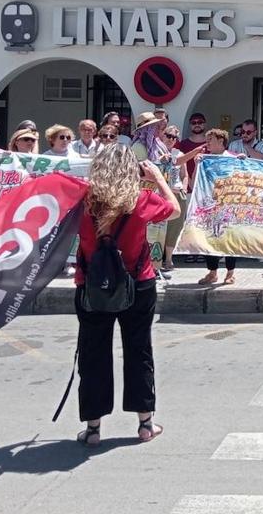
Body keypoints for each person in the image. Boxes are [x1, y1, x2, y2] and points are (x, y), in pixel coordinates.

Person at [73, 145, 179, 447]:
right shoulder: (141, 200)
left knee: (93, 354)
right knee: (138, 351)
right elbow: (174, 209)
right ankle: (145, 424)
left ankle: (93, 429)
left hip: (91, 285)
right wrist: (157, 178)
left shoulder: (84, 200)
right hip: (138, 282)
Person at [196, 129, 238, 285]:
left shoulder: (233, 158)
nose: (207, 144)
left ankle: (230, 272)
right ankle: (212, 272)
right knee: (209, 238)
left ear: (221, 141)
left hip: (228, 204)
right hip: (209, 204)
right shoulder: (205, 159)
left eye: (210, 140)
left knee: (228, 239)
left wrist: (243, 162)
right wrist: (197, 165)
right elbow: (195, 183)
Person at [158, 124, 189, 280]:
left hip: (176, 193)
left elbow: (185, 175)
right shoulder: (157, 152)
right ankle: (157, 257)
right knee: (159, 226)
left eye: (174, 137)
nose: (170, 139)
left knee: (175, 227)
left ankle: (168, 259)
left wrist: (183, 187)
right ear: (162, 136)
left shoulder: (179, 154)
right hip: (161, 195)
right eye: (168, 136)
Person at [177, 113, 209, 181]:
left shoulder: (211, 143)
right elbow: (179, 165)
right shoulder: (183, 144)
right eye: (193, 123)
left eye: (200, 122)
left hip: (207, 185)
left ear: (204, 124)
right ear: (190, 125)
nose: (197, 125)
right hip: (187, 187)